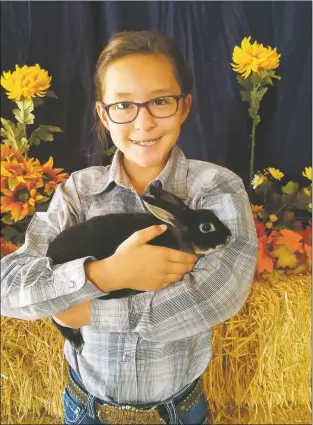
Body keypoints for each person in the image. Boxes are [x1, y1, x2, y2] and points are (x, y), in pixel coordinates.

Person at [1, 30, 258, 425]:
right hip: (86, 405)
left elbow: (217, 295)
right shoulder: (78, 192)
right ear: (104, 113)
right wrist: (106, 273)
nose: (144, 121)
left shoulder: (215, 188)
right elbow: (9, 288)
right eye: (123, 105)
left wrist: (84, 312)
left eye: (160, 101)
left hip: (179, 409)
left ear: (184, 105)